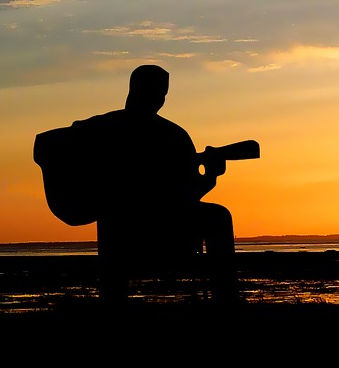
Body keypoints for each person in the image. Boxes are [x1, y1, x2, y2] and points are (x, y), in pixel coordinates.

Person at [85, 64, 238, 299]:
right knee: (219, 216)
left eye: (163, 94)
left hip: (123, 229)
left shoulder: (99, 127)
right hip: (155, 229)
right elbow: (183, 197)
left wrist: (209, 177)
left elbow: (47, 144)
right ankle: (226, 299)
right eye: (158, 93)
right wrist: (210, 177)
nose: (160, 99)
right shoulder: (173, 136)